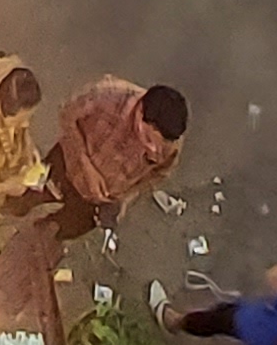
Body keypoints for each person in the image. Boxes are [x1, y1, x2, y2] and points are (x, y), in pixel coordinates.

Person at [43, 77, 187, 236]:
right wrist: (86, 165)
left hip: (97, 203)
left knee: (57, 233)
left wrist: (124, 198)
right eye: (148, 139)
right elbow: (67, 114)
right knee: (24, 198)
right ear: (140, 112)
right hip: (65, 168)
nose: (152, 150)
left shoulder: (169, 145)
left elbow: (159, 173)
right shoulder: (107, 94)